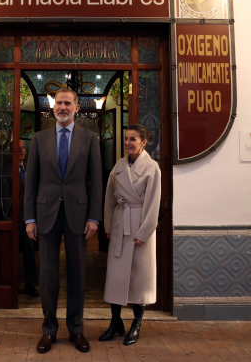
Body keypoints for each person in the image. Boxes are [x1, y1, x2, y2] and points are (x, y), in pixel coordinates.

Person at [24, 87, 102, 354]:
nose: (63, 107)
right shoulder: (39, 139)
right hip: (45, 215)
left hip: (78, 216)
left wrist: (94, 216)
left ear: (76, 108)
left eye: (68, 103)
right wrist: (29, 218)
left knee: (77, 275)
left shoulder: (90, 138)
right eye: (59, 103)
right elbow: (31, 183)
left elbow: (96, 182)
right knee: (47, 276)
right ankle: (48, 330)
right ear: (52, 106)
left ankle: (77, 330)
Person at [99, 124, 161, 346]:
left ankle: (136, 323)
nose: (127, 142)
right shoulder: (119, 165)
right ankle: (115, 322)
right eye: (126, 138)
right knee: (115, 277)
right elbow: (109, 198)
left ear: (144, 142)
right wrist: (108, 227)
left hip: (140, 226)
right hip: (119, 224)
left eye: (132, 139)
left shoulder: (152, 168)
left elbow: (154, 203)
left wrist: (145, 232)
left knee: (139, 279)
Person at [17, 140, 39, 297]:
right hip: (12, 218)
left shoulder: (29, 169)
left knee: (29, 252)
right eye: (18, 148)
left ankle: (30, 285)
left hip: (28, 218)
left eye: (23, 148)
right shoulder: (5, 169)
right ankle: (11, 285)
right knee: (11, 253)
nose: (21, 150)